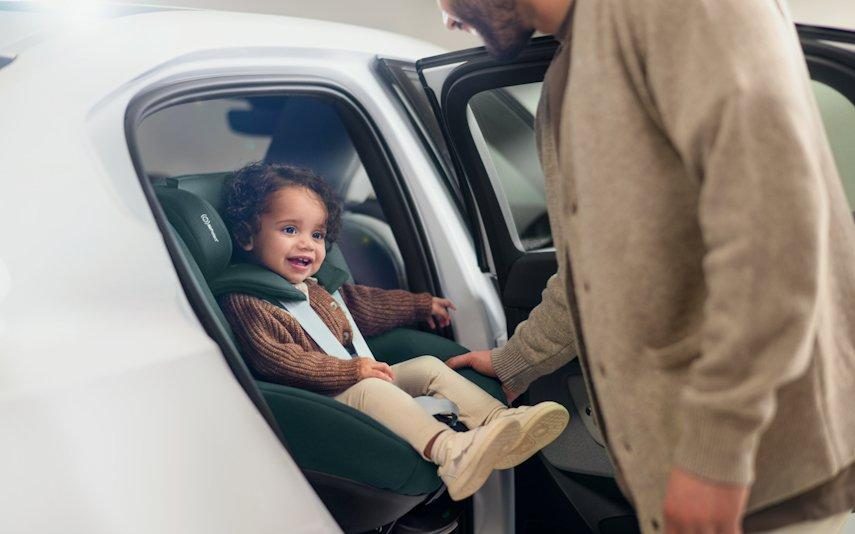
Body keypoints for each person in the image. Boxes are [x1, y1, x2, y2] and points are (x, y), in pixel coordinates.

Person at [436, 0, 855, 532]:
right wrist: (514, 359)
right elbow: (589, 273)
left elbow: (775, 241)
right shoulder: (570, 73)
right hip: (689, 475)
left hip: (760, 480)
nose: (447, 17)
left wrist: (714, 458)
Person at [218, 162, 570, 501]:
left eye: (318, 234)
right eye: (290, 230)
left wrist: (418, 305)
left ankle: (500, 422)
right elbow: (281, 362)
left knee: (429, 367)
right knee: (371, 387)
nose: (308, 244)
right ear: (247, 236)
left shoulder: (312, 287)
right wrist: (352, 371)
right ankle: (452, 452)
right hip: (320, 400)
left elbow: (364, 306)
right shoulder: (247, 300)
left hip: (349, 379)